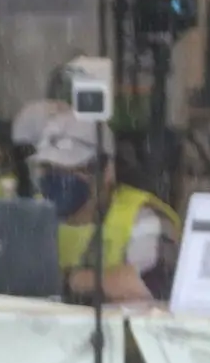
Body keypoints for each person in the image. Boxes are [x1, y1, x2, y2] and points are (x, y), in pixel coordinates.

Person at [28, 110, 180, 305]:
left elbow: (153, 284)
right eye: (50, 168)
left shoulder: (145, 215)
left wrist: (69, 280)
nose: (59, 178)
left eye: (74, 168)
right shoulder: (32, 214)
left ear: (107, 171)